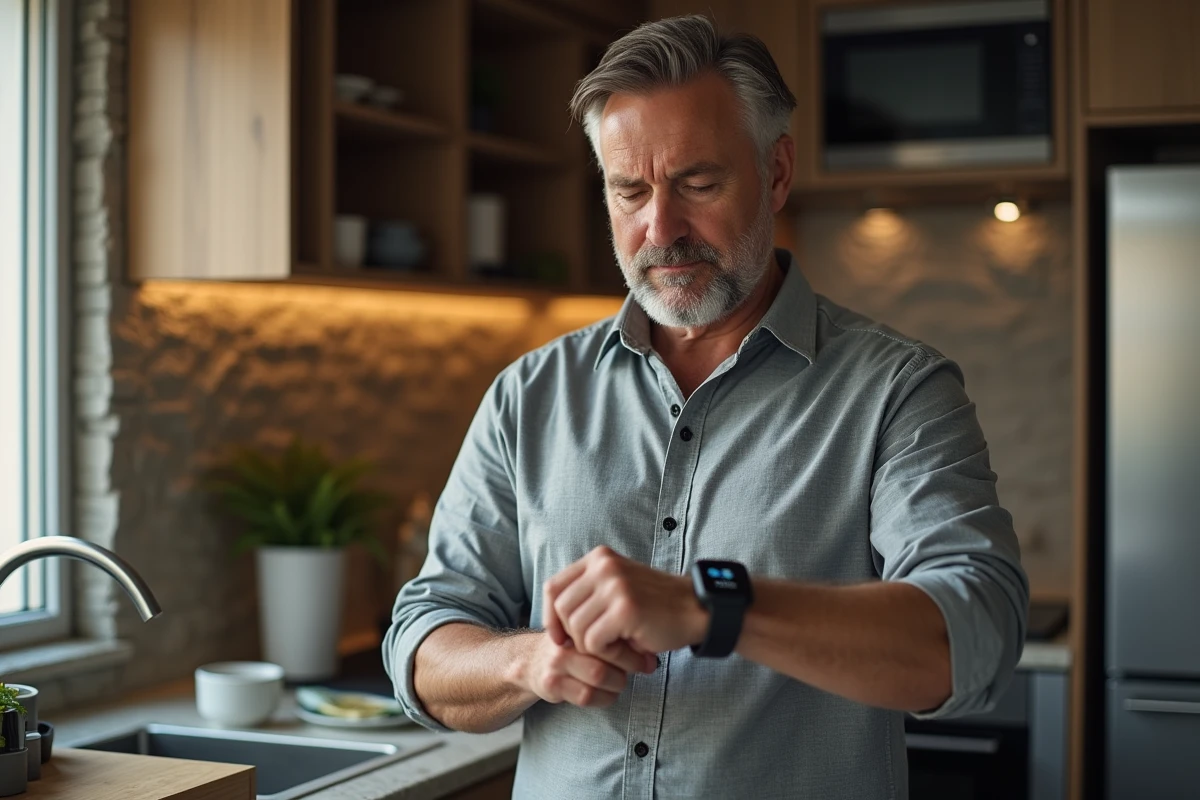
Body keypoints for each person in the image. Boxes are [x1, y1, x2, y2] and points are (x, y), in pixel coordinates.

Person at [383, 14, 1028, 800]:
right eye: (629, 190)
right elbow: (423, 648)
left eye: (697, 184)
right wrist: (530, 661)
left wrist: (714, 605)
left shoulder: (898, 391)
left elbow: (975, 637)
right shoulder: (530, 395)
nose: (661, 228)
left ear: (777, 172)